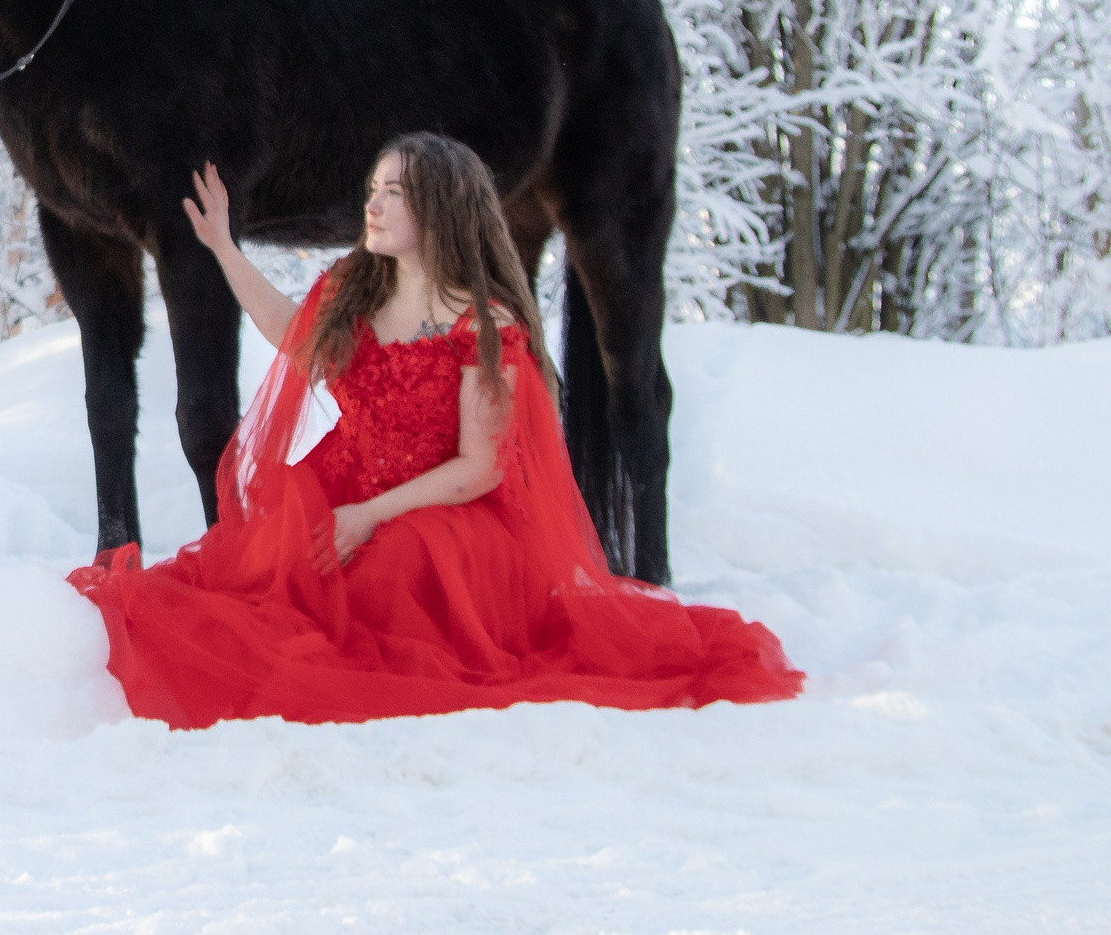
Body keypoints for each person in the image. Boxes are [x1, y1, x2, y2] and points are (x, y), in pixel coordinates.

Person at [67, 132, 803, 727]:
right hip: (343, 490)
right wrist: (225, 247)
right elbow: (291, 334)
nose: (374, 205)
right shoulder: (357, 288)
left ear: (441, 209)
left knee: (389, 581)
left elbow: (481, 466)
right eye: (374, 189)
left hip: (439, 519)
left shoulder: (484, 324)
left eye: (395, 192)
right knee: (243, 586)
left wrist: (371, 514)